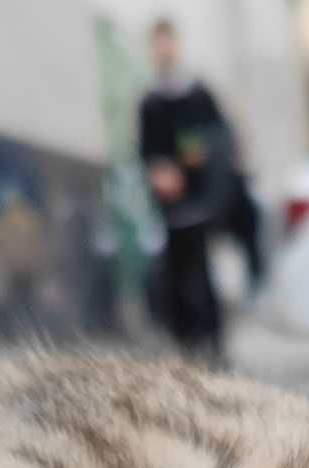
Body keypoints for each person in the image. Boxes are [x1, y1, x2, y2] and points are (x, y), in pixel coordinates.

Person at [137, 17, 231, 362]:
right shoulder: (150, 102)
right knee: (173, 276)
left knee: (203, 274)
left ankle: (214, 343)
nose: (164, 49)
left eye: (168, 42)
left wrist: (203, 162)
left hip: (200, 202)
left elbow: (221, 139)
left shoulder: (198, 94)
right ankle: (184, 343)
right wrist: (158, 172)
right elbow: (146, 151)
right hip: (170, 207)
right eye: (158, 43)